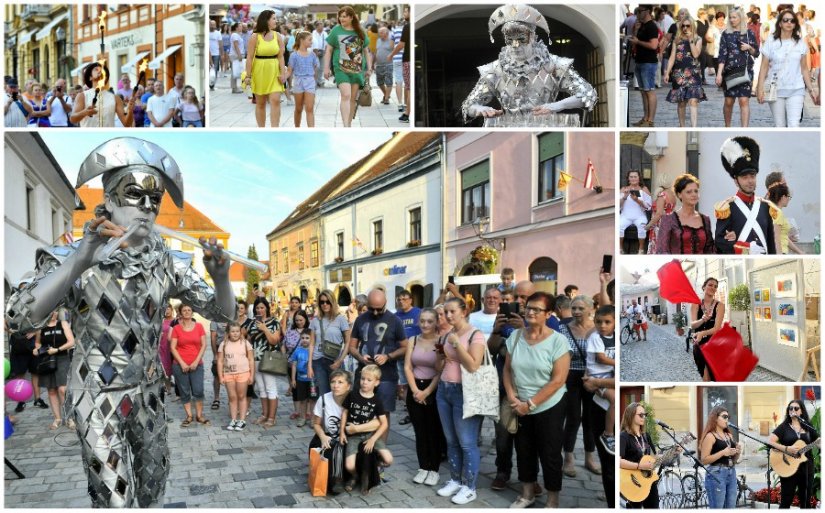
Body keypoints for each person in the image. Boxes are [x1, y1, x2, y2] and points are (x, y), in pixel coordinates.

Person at [5, 138, 236, 507]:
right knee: (115, 499)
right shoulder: (70, 255)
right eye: (134, 195)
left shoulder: (167, 261)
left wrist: (222, 278)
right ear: (109, 199)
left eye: (154, 200)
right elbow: (18, 316)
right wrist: (80, 262)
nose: (146, 208)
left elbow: (224, 315)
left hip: (149, 396)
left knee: (151, 492)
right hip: (95, 396)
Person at [461, 4, 597, 127]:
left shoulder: (553, 65)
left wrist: (556, 106)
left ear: (532, 37)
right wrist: (481, 109)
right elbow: (468, 106)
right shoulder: (494, 70)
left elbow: (588, 94)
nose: (515, 46)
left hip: (546, 125)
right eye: (510, 40)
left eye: (521, 39)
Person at [503, 292, 570, 508]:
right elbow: (507, 369)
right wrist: (513, 397)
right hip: (519, 403)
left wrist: (530, 404)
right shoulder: (515, 336)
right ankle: (527, 493)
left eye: (536, 309)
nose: (530, 312)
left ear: (549, 314)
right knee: (524, 450)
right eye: (528, 308)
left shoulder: (558, 341)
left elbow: (558, 380)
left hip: (549, 404)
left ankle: (552, 500)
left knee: (550, 453)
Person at [433, 297, 487, 505]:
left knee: (467, 442)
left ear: (463, 312)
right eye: (445, 312)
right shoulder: (448, 334)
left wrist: (457, 345)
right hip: (444, 390)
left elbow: (473, 366)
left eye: (452, 311)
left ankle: (470, 486)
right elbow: (442, 366)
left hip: (465, 392)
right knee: (451, 441)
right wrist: (440, 354)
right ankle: (455, 479)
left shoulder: (475, 334)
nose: (447, 316)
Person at [309, 370, 380, 496]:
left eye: (340, 382)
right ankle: (337, 480)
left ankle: (364, 477)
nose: (335, 385)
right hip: (330, 436)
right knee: (330, 450)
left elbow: (377, 423)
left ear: (348, 386)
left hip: (354, 436)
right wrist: (323, 436)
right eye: (333, 382)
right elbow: (316, 424)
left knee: (365, 448)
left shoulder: (358, 398)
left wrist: (357, 429)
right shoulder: (324, 399)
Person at [348, 289, 407, 438]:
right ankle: (362, 445)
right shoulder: (360, 319)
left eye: (378, 309)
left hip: (386, 375)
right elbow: (352, 347)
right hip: (364, 373)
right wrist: (361, 357)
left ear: (385, 303)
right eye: (371, 309)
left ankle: (380, 448)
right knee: (360, 408)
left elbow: (406, 347)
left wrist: (388, 356)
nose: (374, 313)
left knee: (383, 412)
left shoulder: (395, 321)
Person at [558, 295, 601, 478]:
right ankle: (568, 458)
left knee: (590, 419)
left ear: (590, 309)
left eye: (580, 308)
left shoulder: (598, 329)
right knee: (573, 418)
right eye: (573, 308)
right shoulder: (563, 329)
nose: (576, 312)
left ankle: (589, 458)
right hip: (571, 376)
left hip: (592, 377)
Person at [403, 308, 446, 487]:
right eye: (422, 321)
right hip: (415, 388)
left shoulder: (441, 342)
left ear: (436, 322)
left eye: (429, 321)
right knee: (420, 431)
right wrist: (415, 391)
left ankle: (434, 469)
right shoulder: (413, 340)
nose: (425, 325)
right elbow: (407, 367)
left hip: (433, 388)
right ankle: (423, 467)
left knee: (433, 431)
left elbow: (440, 369)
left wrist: (427, 392)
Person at [757, 9, 820, 127]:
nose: (789, 23)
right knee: (780, 125)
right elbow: (764, 67)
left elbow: (804, 69)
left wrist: (811, 90)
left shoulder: (800, 43)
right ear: (780, 23)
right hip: (775, 90)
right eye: (785, 20)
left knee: (794, 124)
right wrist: (760, 87)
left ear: (795, 24)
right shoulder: (771, 41)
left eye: (792, 21)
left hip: (796, 89)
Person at [714, 136, 777, 254]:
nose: (750, 181)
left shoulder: (765, 206)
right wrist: (744, 248)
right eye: (745, 177)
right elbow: (720, 241)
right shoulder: (727, 207)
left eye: (752, 176)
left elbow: (770, 243)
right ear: (736, 181)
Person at [340, 364, 393, 494]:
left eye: (369, 380)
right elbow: (345, 413)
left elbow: (384, 424)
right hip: (353, 435)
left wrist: (373, 439)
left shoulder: (377, 401)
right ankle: (355, 475)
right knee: (349, 465)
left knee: (388, 459)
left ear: (376, 382)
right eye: (363, 379)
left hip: (370, 435)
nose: (364, 382)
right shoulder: (352, 395)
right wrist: (342, 432)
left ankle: (374, 466)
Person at [323, 6, 372, 127]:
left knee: (352, 99)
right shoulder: (336, 30)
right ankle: (345, 124)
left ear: (351, 17)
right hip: (341, 69)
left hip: (357, 70)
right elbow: (329, 50)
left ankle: (349, 124)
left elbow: (366, 51)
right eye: (340, 16)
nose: (341, 18)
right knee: (346, 95)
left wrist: (369, 68)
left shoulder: (360, 31)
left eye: (344, 16)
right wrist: (326, 68)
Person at [769, 399, 819, 509]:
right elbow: (770, 441)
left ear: (801, 411)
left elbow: (818, 442)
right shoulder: (784, 427)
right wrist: (787, 448)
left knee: (806, 502)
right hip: (788, 467)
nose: (793, 410)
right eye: (790, 408)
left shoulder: (808, 426)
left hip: (807, 468)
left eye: (796, 408)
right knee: (786, 501)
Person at [716, 7, 760, 127]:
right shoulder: (726, 34)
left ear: (741, 18)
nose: (732, 19)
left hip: (746, 71)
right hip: (730, 72)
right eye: (730, 17)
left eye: (734, 17)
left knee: (744, 100)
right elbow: (722, 55)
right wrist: (719, 74)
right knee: (729, 101)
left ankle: (745, 128)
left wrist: (749, 47)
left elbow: (756, 53)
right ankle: (727, 127)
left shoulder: (748, 33)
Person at [33, 310, 75, 430]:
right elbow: (37, 342)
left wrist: (57, 350)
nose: (53, 313)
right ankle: (57, 418)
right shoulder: (41, 327)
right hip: (47, 360)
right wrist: (37, 350)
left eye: (55, 311)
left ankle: (69, 417)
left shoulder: (63, 324)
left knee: (63, 389)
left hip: (62, 358)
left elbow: (71, 342)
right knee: (51, 390)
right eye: (51, 311)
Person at [244, 9, 287, 127]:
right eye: (273, 18)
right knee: (261, 103)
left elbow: (281, 57)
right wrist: (248, 75)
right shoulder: (254, 36)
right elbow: (249, 57)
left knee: (275, 100)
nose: (276, 21)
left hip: (274, 70)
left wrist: (283, 73)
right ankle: (262, 128)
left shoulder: (278, 36)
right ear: (266, 20)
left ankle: (275, 128)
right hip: (259, 71)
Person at [171, 305, 210, 427]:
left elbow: (204, 345)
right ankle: (189, 416)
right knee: (184, 391)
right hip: (179, 365)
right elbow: (172, 347)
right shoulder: (176, 328)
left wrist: (195, 362)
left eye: (189, 310)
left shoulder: (199, 327)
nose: (187, 312)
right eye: (184, 310)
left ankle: (199, 415)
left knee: (198, 390)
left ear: (193, 312)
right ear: (180, 313)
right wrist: (182, 363)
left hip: (196, 365)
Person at [308, 290, 351, 401]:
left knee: (338, 393)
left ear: (333, 302)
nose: (325, 304)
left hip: (334, 361)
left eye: (328, 302)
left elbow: (348, 342)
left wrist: (340, 361)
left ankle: (337, 418)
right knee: (323, 395)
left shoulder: (341, 319)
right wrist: (309, 365)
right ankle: (325, 418)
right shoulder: (315, 321)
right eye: (322, 302)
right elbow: (311, 343)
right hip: (318, 361)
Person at [656, 173, 715, 254]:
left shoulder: (706, 219)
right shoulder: (668, 220)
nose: (694, 194)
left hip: (701, 266)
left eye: (696, 191)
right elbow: (661, 251)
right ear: (679, 194)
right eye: (689, 192)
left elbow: (710, 250)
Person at [665, 16, 707, 127]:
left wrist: (691, 40)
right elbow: (672, 57)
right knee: (681, 102)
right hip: (679, 74)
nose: (685, 28)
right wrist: (667, 72)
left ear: (692, 26)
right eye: (683, 26)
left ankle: (694, 127)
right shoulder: (677, 40)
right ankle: (682, 126)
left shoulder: (698, 39)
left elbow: (696, 54)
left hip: (693, 73)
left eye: (687, 25)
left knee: (693, 100)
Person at [248, 298, 282, 427]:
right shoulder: (252, 323)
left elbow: (274, 341)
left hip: (269, 358)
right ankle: (264, 414)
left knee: (270, 388)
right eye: (257, 308)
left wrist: (264, 329)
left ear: (267, 308)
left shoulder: (274, 322)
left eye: (262, 307)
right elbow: (249, 340)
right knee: (261, 389)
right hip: (255, 359)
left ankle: (272, 417)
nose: (259, 310)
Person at [586, 305, 615, 455]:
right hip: (598, 376)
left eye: (607, 322)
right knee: (615, 400)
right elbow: (601, 358)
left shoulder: (614, 337)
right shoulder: (596, 337)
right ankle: (608, 434)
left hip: (608, 374)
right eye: (598, 322)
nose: (602, 326)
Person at [700, 406, 741, 509]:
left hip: (731, 472)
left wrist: (737, 452)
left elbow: (733, 460)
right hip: (716, 474)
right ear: (715, 418)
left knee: (731, 507)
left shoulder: (729, 436)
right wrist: (723, 452)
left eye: (728, 417)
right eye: (724, 417)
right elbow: (704, 460)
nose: (727, 419)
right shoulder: (710, 436)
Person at [70, 62, 135, 128]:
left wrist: (130, 110)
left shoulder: (115, 98)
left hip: (109, 138)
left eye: (102, 70)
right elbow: (72, 119)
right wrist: (85, 112)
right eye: (96, 69)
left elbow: (127, 124)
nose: (100, 71)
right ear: (90, 77)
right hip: (88, 137)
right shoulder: (82, 96)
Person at [619, 402, 659, 508]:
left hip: (648, 482)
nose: (644, 417)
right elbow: (618, 461)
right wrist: (639, 466)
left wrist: (673, 452)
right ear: (631, 415)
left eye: (645, 415)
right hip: (632, 482)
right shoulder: (623, 436)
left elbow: (655, 457)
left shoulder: (646, 436)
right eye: (640, 415)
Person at [217, 322, 254, 431]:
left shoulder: (245, 343)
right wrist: (220, 376)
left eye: (237, 331)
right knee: (232, 397)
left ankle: (242, 420)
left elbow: (251, 359)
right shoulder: (223, 344)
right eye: (233, 331)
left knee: (242, 396)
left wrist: (252, 375)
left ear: (240, 332)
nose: (235, 334)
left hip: (243, 373)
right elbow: (220, 361)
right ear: (228, 333)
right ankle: (233, 419)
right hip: (229, 374)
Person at [630, 5, 661, 127]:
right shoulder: (641, 25)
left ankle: (650, 120)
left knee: (649, 91)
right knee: (643, 92)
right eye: (637, 11)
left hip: (648, 62)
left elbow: (654, 46)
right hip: (640, 61)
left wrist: (638, 42)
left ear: (647, 11)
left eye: (640, 11)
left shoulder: (652, 26)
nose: (637, 13)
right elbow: (635, 44)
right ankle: (645, 118)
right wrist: (636, 32)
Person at [690, 278, 725, 381]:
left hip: (713, 344)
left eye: (715, 286)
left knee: (715, 376)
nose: (713, 288)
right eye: (710, 285)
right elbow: (692, 325)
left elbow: (717, 328)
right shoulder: (695, 304)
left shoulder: (720, 306)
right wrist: (702, 320)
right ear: (704, 287)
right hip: (699, 345)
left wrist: (702, 333)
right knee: (705, 377)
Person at [286, 30, 320, 127]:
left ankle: (311, 132)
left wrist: (314, 81)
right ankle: (297, 128)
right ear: (302, 40)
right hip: (298, 82)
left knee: (309, 108)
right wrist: (284, 77)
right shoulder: (294, 55)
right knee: (298, 108)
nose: (311, 42)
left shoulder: (313, 55)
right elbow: (289, 70)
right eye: (309, 40)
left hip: (310, 82)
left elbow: (315, 68)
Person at [284, 309, 310, 419]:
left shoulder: (310, 331)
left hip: (307, 363)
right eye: (296, 320)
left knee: (308, 387)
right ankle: (297, 411)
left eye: (301, 320)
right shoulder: (290, 331)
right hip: (292, 362)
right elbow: (284, 343)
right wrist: (284, 355)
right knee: (295, 387)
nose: (299, 322)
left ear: (305, 319)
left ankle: (308, 411)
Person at [619, 170, 653, 254]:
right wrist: (625, 197)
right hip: (625, 216)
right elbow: (618, 206)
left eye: (635, 176)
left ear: (639, 178)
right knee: (619, 226)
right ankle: (620, 248)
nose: (633, 178)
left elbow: (648, 206)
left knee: (642, 227)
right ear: (628, 179)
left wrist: (637, 200)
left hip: (640, 216)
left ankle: (641, 249)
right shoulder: (624, 189)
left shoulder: (644, 189)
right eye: (631, 177)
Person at [767, 183, 804, 254]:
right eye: (789, 197)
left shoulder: (773, 211)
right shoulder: (778, 213)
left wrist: (800, 252)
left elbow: (781, 236)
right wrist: (779, 254)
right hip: (781, 251)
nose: (789, 199)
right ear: (783, 197)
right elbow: (776, 236)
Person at [388, 7, 411, 122]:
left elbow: (397, 45)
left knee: (401, 82)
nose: (404, 13)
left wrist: (391, 55)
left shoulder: (402, 28)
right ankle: (407, 108)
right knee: (409, 86)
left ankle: (402, 105)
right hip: (406, 59)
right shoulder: (409, 26)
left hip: (403, 59)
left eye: (406, 11)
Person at [288, 328, 314, 427]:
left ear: (312, 339)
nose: (304, 340)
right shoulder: (297, 351)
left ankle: (312, 419)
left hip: (312, 381)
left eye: (307, 338)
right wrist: (293, 379)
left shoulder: (314, 350)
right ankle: (302, 418)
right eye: (302, 338)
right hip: (300, 380)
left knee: (312, 400)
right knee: (303, 400)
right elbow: (294, 365)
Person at [645, 179, 677, 254]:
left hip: (661, 223)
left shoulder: (662, 195)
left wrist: (648, 225)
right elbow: (672, 209)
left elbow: (659, 214)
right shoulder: (672, 194)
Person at [374, 27, 394, 105]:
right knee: (379, 82)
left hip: (388, 64)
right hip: (379, 64)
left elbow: (394, 50)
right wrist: (373, 63)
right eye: (380, 32)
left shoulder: (391, 40)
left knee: (389, 81)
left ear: (387, 33)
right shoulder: (378, 40)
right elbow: (376, 52)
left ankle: (386, 98)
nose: (380, 34)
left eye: (382, 32)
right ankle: (386, 95)